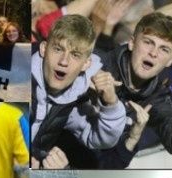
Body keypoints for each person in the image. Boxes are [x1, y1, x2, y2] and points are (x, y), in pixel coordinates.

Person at [94, 13, 172, 169]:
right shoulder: (97, 66)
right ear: (132, 43)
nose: (153, 53)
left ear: (170, 60)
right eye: (148, 42)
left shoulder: (157, 96)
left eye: (164, 49)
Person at [30, 15, 127, 166]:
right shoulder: (18, 78)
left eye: (75, 55)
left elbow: (99, 139)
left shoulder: (72, 101)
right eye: (57, 49)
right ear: (43, 49)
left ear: (86, 64)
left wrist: (111, 103)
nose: (63, 61)